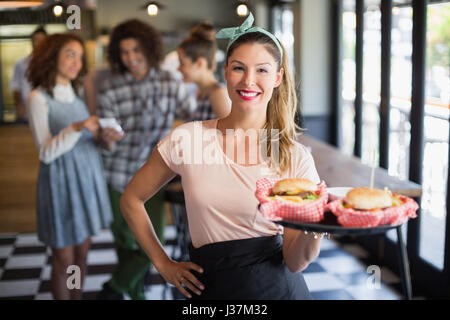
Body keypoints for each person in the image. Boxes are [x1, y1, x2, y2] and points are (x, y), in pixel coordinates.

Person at [119, 13, 324, 300]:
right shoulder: (188, 138)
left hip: (277, 292)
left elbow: (295, 261)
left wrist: (316, 224)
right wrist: (163, 264)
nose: (249, 80)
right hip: (209, 291)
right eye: (239, 68)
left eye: (262, 70)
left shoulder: (292, 155)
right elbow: (131, 199)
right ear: (225, 70)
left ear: (277, 78)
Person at [95, 19, 198, 300]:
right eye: (125, 52)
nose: (131, 58)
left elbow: (193, 115)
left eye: (136, 50)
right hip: (117, 175)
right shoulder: (111, 88)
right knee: (126, 246)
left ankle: (113, 290)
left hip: (154, 178)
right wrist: (105, 137)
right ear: (117, 54)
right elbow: (102, 140)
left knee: (151, 245)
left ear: (148, 49)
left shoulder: (169, 81)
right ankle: (136, 295)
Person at [26, 33, 113, 300]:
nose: (77, 62)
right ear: (52, 57)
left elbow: (85, 139)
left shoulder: (77, 93)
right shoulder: (38, 98)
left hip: (87, 180)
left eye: (79, 56)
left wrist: (104, 138)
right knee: (64, 260)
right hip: (60, 184)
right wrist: (77, 127)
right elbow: (46, 152)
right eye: (70, 54)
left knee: (81, 255)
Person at [177, 23, 231, 120]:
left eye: (182, 63)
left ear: (199, 63)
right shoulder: (201, 93)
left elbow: (232, 133)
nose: (178, 68)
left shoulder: (218, 94)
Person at [10, 26, 47, 122]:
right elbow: (16, 87)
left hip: (47, 107)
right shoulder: (21, 64)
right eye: (36, 40)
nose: (38, 43)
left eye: (42, 40)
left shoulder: (52, 63)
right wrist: (19, 107)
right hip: (27, 109)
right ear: (31, 42)